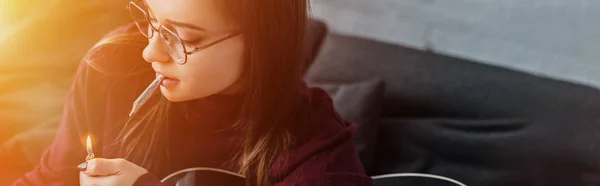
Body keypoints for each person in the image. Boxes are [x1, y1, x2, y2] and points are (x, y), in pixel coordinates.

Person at [12, 0, 371, 185]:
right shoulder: (111, 67)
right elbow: (53, 176)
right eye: (151, 18)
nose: (149, 52)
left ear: (264, 43)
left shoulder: (316, 154)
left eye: (183, 37)